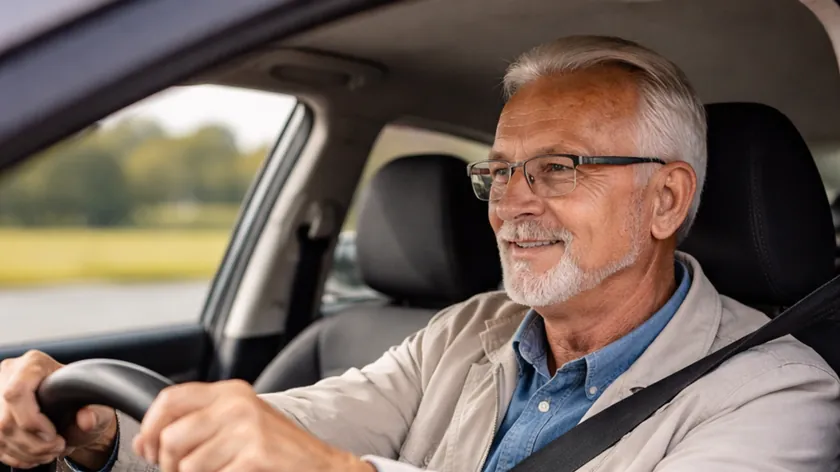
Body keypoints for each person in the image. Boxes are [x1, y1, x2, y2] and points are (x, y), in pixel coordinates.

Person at [2, 35, 839, 472]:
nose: (512, 202)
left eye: (558, 168)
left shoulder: (780, 391)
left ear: (667, 200)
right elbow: (288, 428)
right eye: (501, 171)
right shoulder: (472, 329)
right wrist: (104, 428)